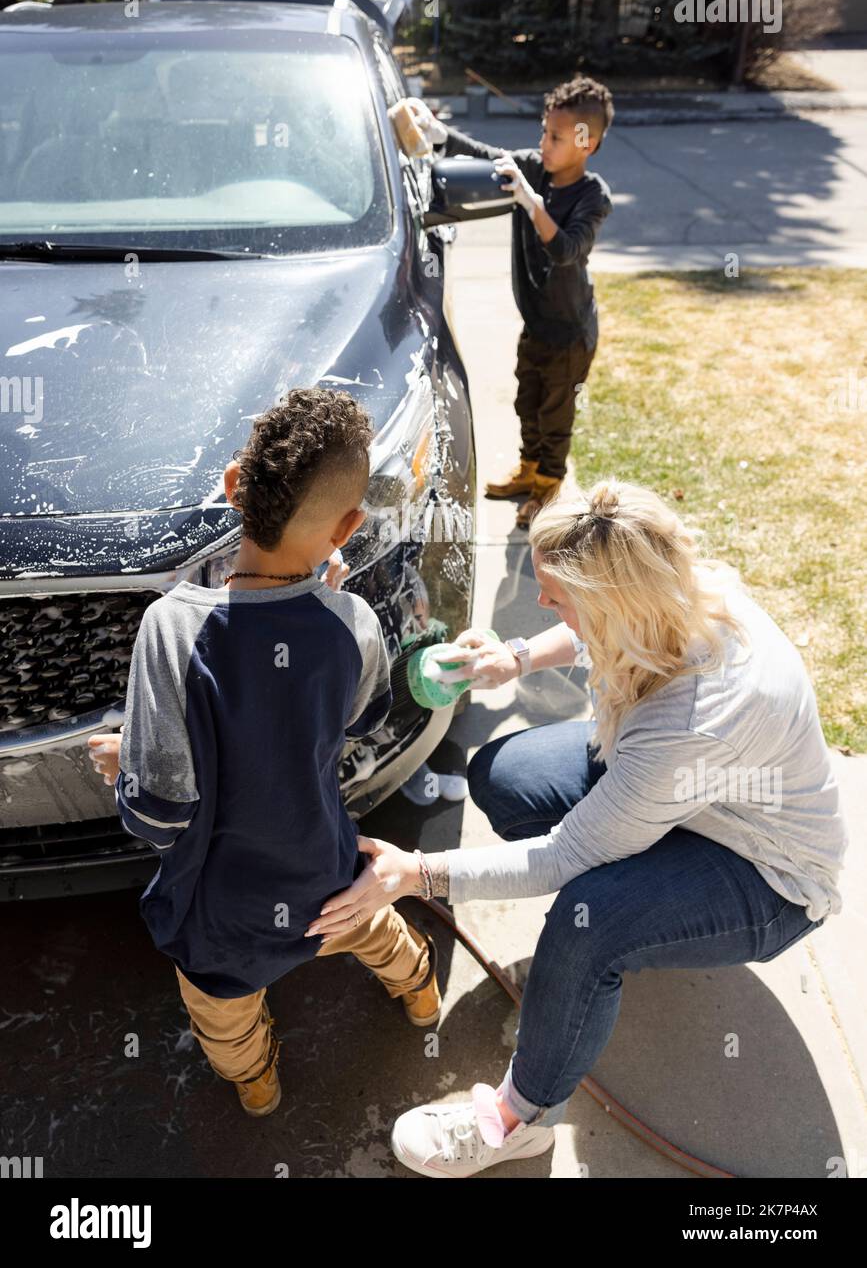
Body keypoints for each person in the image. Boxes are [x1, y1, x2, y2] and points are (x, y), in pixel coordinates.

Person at [306, 477, 849, 1177]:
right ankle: (630, 925)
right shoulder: (675, 588)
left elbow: (564, 856)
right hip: (689, 802)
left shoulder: (692, 722)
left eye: (556, 596)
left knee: (584, 922)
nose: (540, 603)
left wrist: (418, 874)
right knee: (502, 776)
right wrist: (517, 658)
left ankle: (522, 1117)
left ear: (610, 605)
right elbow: (591, 628)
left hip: (766, 874)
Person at [87, 387, 441, 1118]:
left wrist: (124, 767)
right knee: (376, 931)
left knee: (223, 1013)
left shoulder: (170, 630)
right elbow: (364, 717)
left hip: (224, 912)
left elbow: (159, 816)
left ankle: (256, 1084)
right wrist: (330, 607)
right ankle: (420, 995)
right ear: (347, 525)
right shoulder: (352, 621)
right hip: (325, 874)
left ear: (231, 487)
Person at [409, 76, 614, 528]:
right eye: (544, 131)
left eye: (555, 137)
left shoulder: (592, 196)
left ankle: (548, 491)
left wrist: (530, 201)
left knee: (555, 415)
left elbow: (565, 251)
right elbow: (489, 160)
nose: (544, 143)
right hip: (537, 325)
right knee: (527, 402)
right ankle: (528, 471)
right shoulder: (535, 169)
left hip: (570, 333)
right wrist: (443, 137)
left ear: (587, 142)